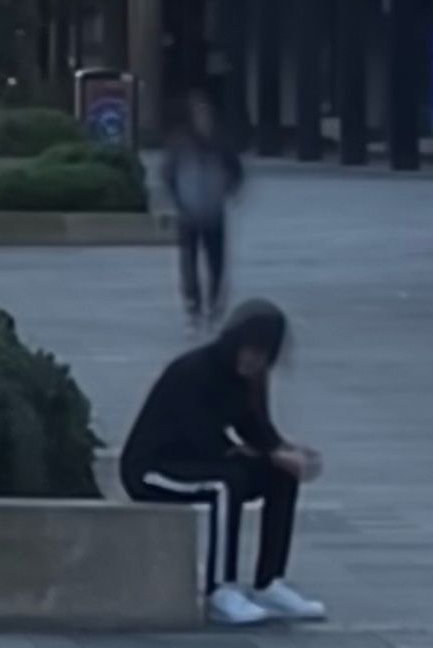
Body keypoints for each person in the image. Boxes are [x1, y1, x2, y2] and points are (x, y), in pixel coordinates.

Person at [120, 300, 326, 627]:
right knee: (224, 485)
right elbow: (200, 437)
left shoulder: (250, 380)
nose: (253, 361)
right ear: (235, 345)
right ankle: (220, 589)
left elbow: (257, 431)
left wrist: (286, 453)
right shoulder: (194, 372)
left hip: (202, 462)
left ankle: (270, 582)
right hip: (153, 470)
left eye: (262, 356)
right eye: (249, 351)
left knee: (280, 476)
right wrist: (263, 453)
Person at [162, 88, 244, 325]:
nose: (203, 118)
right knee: (188, 259)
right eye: (198, 113)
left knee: (216, 260)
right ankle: (193, 302)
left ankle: (214, 303)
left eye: (206, 113)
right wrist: (177, 199)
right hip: (188, 211)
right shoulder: (181, 142)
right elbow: (168, 173)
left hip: (213, 209)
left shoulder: (221, 142)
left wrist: (227, 191)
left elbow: (236, 170)